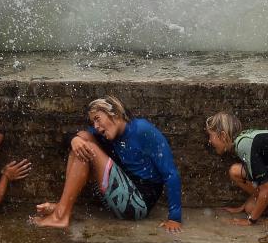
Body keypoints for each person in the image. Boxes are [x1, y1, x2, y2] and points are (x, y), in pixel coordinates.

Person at [32, 96, 183, 232]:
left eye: (98, 119)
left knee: (87, 147)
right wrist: (73, 139)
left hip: (138, 205)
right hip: (118, 195)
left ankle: (60, 215)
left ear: (114, 113)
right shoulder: (105, 134)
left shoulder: (142, 130)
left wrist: (174, 218)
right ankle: (63, 208)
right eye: (93, 122)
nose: (96, 126)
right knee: (82, 139)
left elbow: (171, 174)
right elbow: (72, 137)